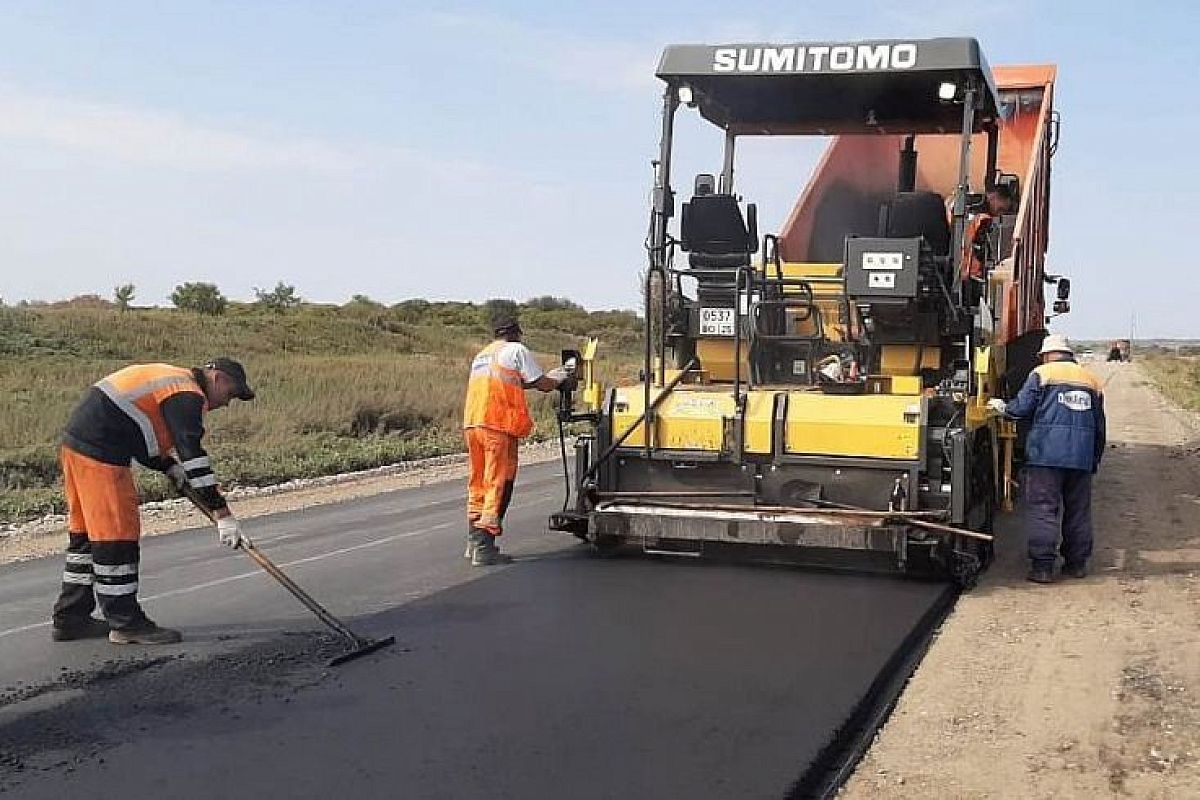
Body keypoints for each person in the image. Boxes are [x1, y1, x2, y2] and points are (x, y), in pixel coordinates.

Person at [51, 358, 255, 644]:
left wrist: (168, 466)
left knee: (87, 538)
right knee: (115, 538)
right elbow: (193, 455)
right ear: (218, 378)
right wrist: (223, 515)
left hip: (81, 447)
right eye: (231, 394)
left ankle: (71, 618)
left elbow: (137, 430)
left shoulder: (171, 381)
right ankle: (126, 624)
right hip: (101, 454)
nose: (228, 403)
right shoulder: (187, 394)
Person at [987, 335, 1106, 583]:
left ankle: (1043, 567)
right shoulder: (1091, 380)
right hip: (1080, 459)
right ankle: (1076, 565)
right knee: (1078, 511)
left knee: (1043, 509)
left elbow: (1020, 409)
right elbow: (1099, 427)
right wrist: (1093, 459)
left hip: (1046, 456)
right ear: (1068, 354)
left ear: (1046, 355)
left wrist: (1001, 407)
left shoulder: (1042, 374)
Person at [462, 316, 573, 566]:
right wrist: (558, 377)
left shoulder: (483, 355)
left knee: (478, 482)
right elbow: (541, 384)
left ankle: (473, 541)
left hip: (473, 423)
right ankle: (484, 547)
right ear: (516, 334)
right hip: (497, 426)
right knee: (498, 483)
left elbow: (511, 383)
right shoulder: (516, 350)